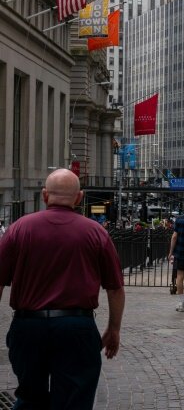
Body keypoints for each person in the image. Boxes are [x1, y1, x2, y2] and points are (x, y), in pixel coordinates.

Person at [0, 169, 125, 408]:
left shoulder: (19, 229)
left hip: (28, 327)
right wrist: (113, 328)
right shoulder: (96, 232)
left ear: (45, 196)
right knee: (74, 401)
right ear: (79, 197)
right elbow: (115, 287)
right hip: (76, 328)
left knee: (29, 398)